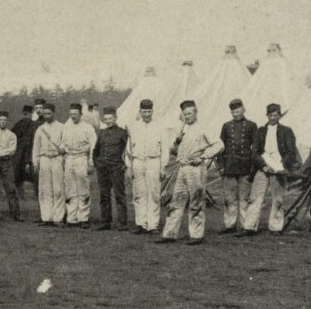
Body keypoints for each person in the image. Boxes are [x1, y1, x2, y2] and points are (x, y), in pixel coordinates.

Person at [155, 100, 223, 245]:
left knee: (196, 200)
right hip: (182, 168)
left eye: (190, 113)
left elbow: (219, 145)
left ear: (196, 112)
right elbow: (173, 151)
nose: (187, 116)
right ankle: (169, 233)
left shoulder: (204, 127)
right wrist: (176, 142)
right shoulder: (183, 129)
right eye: (185, 114)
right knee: (176, 201)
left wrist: (203, 157)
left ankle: (196, 235)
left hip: (196, 168)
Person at [240, 103, 301, 236]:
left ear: (279, 116)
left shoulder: (287, 131)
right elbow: (255, 152)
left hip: (278, 168)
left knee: (278, 199)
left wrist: (279, 165)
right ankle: (249, 226)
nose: (273, 117)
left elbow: (291, 152)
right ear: (267, 116)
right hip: (263, 167)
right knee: (256, 197)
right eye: (270, 115)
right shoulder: (260, 131)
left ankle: (275, 227)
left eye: (276, 115)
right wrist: (263, 166)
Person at [126, 99, 166, 235]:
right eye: (144, 112)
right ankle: (141, 223)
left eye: (149, 111)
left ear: (152, 111)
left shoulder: (159, 127)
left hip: (153, 162)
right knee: (139, 193)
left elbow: (165, 149)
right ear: (140, 112)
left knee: (154, 193)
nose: (147, 114)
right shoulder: (134, 127)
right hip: (137, 162)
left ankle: (152, 225)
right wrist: (129, 167)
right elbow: (129, 149)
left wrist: (163, 167)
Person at [219, 98, 258, 234]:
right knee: (230, 198)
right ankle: (229, 225)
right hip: (229, 167)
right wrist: (221, 167)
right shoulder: (226, 126)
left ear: (243, 110)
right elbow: (220, 148)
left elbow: (256, 149)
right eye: (233, 111)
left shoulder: (251, 126)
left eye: (238, 110)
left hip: (245, 167)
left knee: (244, 198)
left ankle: (246, 226)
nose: (236, 113)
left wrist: (253, 167)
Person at [60, 103, 97, 228]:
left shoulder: (88, 128)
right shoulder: (66, 127)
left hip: (82, 159)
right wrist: (61, 149)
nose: (73, 116)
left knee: (83, 188)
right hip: (69, 158)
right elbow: (62, 143)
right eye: (71, 114)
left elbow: (93, 146)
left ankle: (83, 218)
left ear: (81, 114)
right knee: (70, 189)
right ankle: (72, 218)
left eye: (75, 114)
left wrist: (91, 163)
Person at [92, 107, 128, 230]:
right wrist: (97, 163)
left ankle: (123, 223)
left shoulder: (123, 133)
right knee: (104, 195)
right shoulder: (101, 133)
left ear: (115, 118)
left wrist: (123, 164)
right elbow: (95, 150)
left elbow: (127, 151)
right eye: (106, 119)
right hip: (102, 169)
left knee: (119, 195)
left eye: (110, 119)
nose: (108, 121)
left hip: (117, 167)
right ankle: (105, 222)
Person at [32, 103, 65, 226]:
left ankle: (58, 218)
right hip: (44, 159)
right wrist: (35, 163)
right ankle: (46, 217)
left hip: (57, 158)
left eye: (49, 113)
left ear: (53, 113)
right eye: (45, 114)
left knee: (58, 189)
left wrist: (62, 147)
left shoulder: (62, 127)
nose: (46, 116)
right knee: (45, 189)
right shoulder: (40, 129)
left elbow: (65, 142)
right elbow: (36, 147)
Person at [11, 105, 36, 199]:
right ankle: (24, 194)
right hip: (23, 152)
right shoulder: (30, 124)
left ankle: (25, 194)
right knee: (23, 174)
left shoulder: (19, 124)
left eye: (26, 114)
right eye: (25, 114)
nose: (26, 116)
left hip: (23, 152)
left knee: (22, 173)